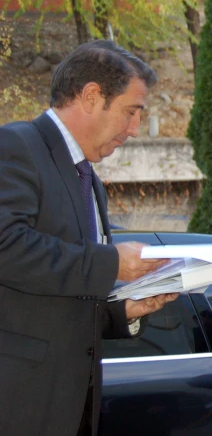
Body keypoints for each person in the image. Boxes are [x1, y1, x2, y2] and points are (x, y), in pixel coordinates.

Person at [0, 40, 178, 436]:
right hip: (18, 405)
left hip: (75, 406)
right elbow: (6, 247)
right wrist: (112, 263)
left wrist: (123, 311)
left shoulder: (88, 179)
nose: (135, 130)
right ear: (92, 96)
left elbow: (62, 298)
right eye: (131, 112)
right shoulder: (15, 145)